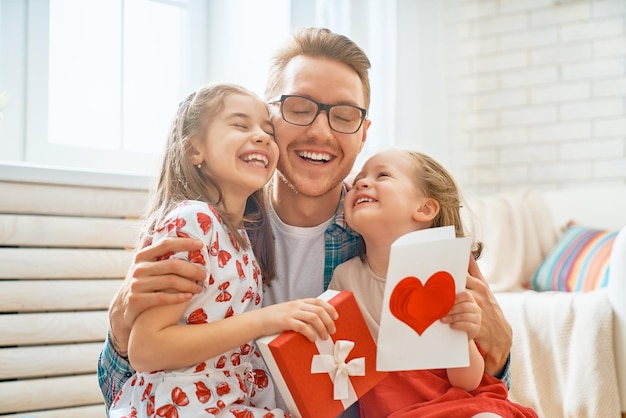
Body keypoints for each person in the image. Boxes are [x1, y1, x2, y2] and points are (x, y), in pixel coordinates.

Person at [99, 27, 513, 415]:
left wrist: (500, 353)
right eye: (300, 108)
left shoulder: (391, 234)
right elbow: (129, 390)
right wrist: (119, 333)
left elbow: (470, 382)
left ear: (363, 133)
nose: (321, 131)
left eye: (344, 116)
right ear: (271, 119)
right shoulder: (213, 229)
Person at [108, 83, 337, 417]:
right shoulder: (193, 220)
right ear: (193, 151)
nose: (261, 137)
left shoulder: (241, 236)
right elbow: (146, 350)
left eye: (267, 130)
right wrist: (266, 319)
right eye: (241, 125)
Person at [329, 149, 536, 418]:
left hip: (457, 403)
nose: (361, 183)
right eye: (357, 181)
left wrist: (463, 335)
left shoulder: (445, 275)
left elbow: (468, 382)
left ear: (424, 208)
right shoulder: (344, 278)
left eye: (382, 175)